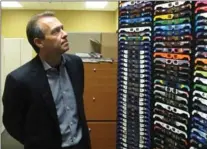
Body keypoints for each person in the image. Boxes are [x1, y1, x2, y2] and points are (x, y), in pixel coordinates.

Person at [2, 11, 91, 149]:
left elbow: (78, 106)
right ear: (39, 42)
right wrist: (37, 142)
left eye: (62, 28)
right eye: (56, 31)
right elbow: (12, 124)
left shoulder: (76, 64)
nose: (65, 33)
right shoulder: (19, 80)